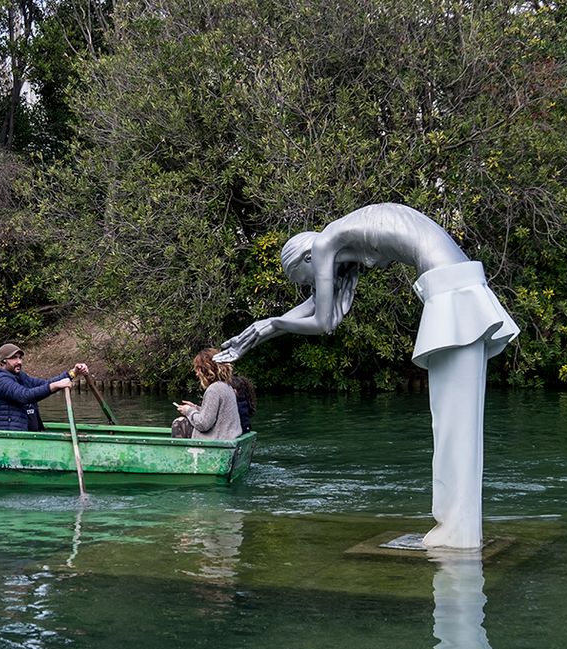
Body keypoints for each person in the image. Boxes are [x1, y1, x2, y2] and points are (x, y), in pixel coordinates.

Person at [215, 203, 519, 549]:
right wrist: (264, 329)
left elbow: (321, 321)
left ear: (309, 259)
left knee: (452, 428)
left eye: (306, 279)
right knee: (460, 426)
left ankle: (456, 534)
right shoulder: (344, 238)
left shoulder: (328, 240)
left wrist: (271, 323)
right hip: (459, 285)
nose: (314, 285)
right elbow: (317, 307)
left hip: (452, 294)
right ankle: (462, 530)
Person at [0, 343, 90, 431]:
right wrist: (55, 386)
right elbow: (24, 396)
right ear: (3, 361)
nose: (19, 362)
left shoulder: (21, 377)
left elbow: (45, 384)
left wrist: (73, 373)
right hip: (9, 438)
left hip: (25, 435)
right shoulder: (0, 380)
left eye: (20, 357)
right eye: (14, 358)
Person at [172, 348, 243, 440]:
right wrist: (195, 408)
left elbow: (204, 424)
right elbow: (215, 415)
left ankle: (182, 455)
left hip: (218, 440)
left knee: (179, 422)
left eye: (198, 369)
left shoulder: (213, 390)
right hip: (228, 437)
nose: (197, 374)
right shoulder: (227, 386)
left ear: (206, 369)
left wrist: (188, 411)